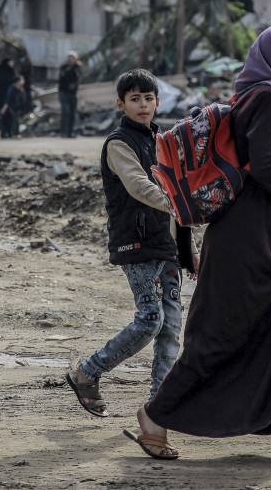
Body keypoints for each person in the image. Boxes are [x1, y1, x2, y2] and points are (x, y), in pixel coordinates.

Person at [124, 24, 271, 461]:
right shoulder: (268, 97)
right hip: (253, 240)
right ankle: (155, 415)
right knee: (222, 334)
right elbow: (267, 167)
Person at [65, 69, 198, 418]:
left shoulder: (165, 143)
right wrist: (176, 204)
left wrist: (189, 250)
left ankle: (158, 408)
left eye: (149, 98)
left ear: (158, 101)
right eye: (135, 99)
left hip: (167, 246)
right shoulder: (118, 143)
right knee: (150, 320)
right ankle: (87, 372)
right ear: (121, 104)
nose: (143, 105)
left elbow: (179, 194)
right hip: (136, 245)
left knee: (170, 327)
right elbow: (139, 186)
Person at [57, 51, 82, 138]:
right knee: (66, 111)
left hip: (73, 93)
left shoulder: (77, 68)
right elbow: (64, 77)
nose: (70, 60)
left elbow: (78, 78)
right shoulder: (63, 67)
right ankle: (63, 132)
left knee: (72, 113)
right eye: (69, 58)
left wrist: (75, 67)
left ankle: (69, 133)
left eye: (72, 58)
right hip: (63, 92)